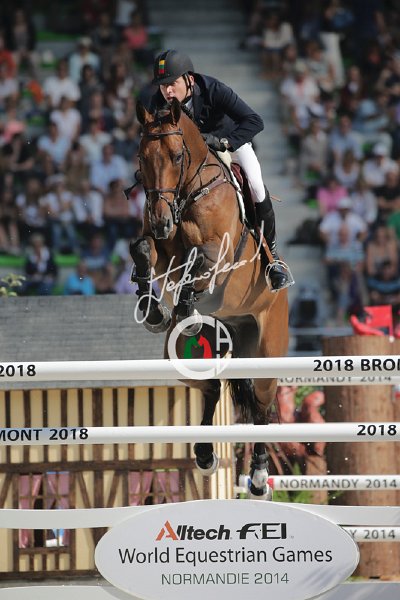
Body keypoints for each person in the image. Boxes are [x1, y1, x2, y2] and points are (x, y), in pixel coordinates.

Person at [145, 49, 292, 291]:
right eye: (163, 86)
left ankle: (272, 259)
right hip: (190, 158)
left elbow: (254, 121)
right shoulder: (158, 102)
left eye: (172, 84)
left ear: (189, 79)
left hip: (229, 145)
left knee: (256, 186)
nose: (167, 91)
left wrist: (224, 142)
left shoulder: (214, 90)